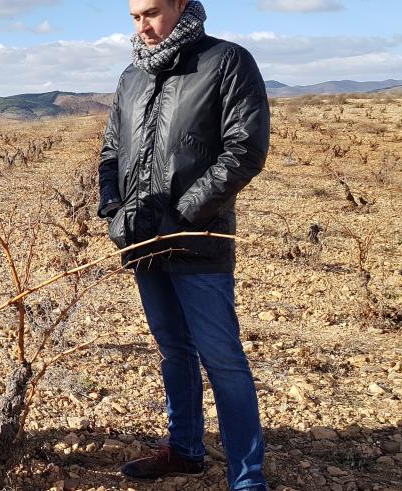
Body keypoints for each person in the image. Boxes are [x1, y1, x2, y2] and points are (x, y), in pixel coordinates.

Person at [97, 0, 270, 489]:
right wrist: (113, 208)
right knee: (173, 350)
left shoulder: (226, 61)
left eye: (151, 12)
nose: (142, 26)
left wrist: (184, 216)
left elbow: (246, 149)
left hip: (199, 240)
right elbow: (111, 151)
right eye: (134, 17)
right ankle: (185, 449)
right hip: (144, 241)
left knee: (223, 359)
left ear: (181, 5)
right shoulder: (132, 76)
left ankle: (247, 479)